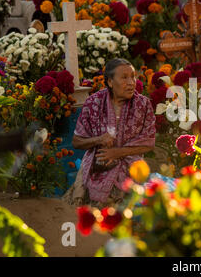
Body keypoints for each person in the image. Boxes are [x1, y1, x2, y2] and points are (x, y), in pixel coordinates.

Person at [63, 58, 155, 207]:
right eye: (124, 77)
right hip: (96, 166)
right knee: (82, 209)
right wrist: (98, 139)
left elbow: (149, 144)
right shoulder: (93, 103)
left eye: (133, 76)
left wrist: (117, 153)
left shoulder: (143, 104)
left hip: (131, 167)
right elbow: (77, 141)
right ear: (111, 82)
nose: (132, 82)